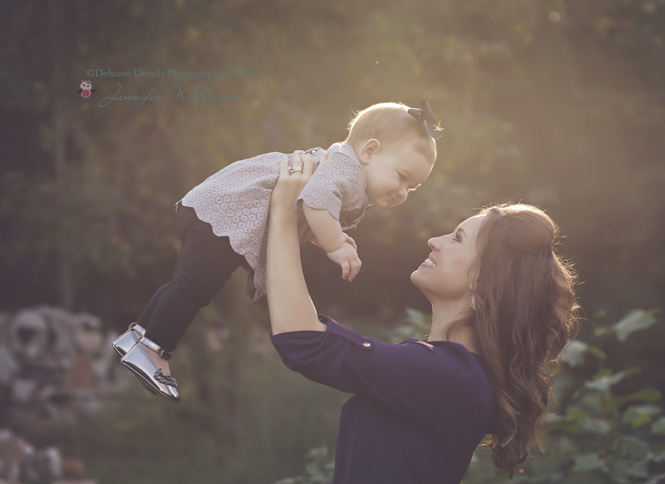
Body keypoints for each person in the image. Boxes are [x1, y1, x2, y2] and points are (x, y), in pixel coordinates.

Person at [266, 153, 580, 484]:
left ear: (484, 281)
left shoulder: (449, 375)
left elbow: (303, 341)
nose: (436, 240)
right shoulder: (450, 373)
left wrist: (281, 215)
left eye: (457, 238)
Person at [112, 100, 441, 402]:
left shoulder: (344, 169)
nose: (402, 192)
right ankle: (155, 351)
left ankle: (138, 336)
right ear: (369, 150)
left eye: (411, 187)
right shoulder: (347, 170)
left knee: (185, 283)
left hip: (217, 208)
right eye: (401, 177)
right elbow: (316, 200)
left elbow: (307, 207)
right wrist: (336, 244)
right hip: (228, 214)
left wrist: (323, 234)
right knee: (193, 288)